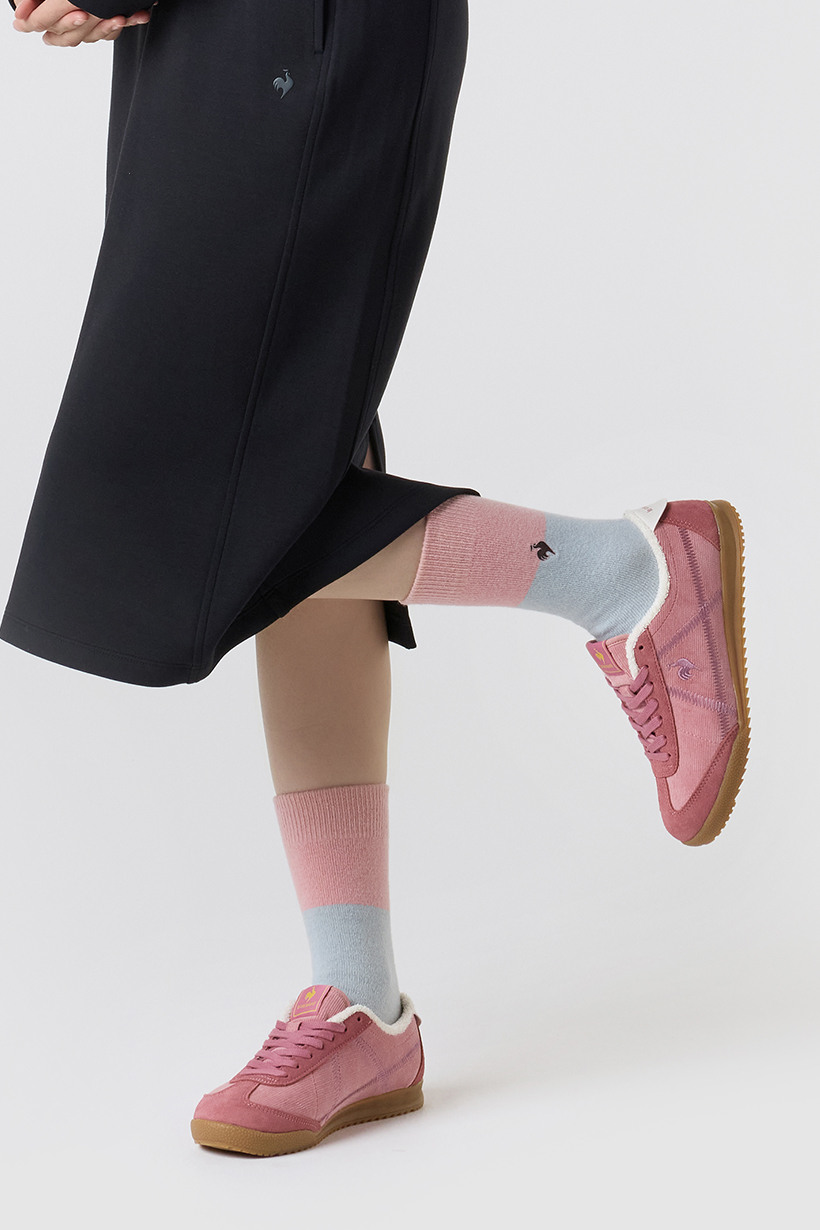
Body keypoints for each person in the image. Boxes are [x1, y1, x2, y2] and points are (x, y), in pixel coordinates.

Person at [5, 0, 749, 1157]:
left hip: (308, 27)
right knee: (292, 468)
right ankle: (358, 1002)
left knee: (156, 501)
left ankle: (616, 576)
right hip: (199, 41)